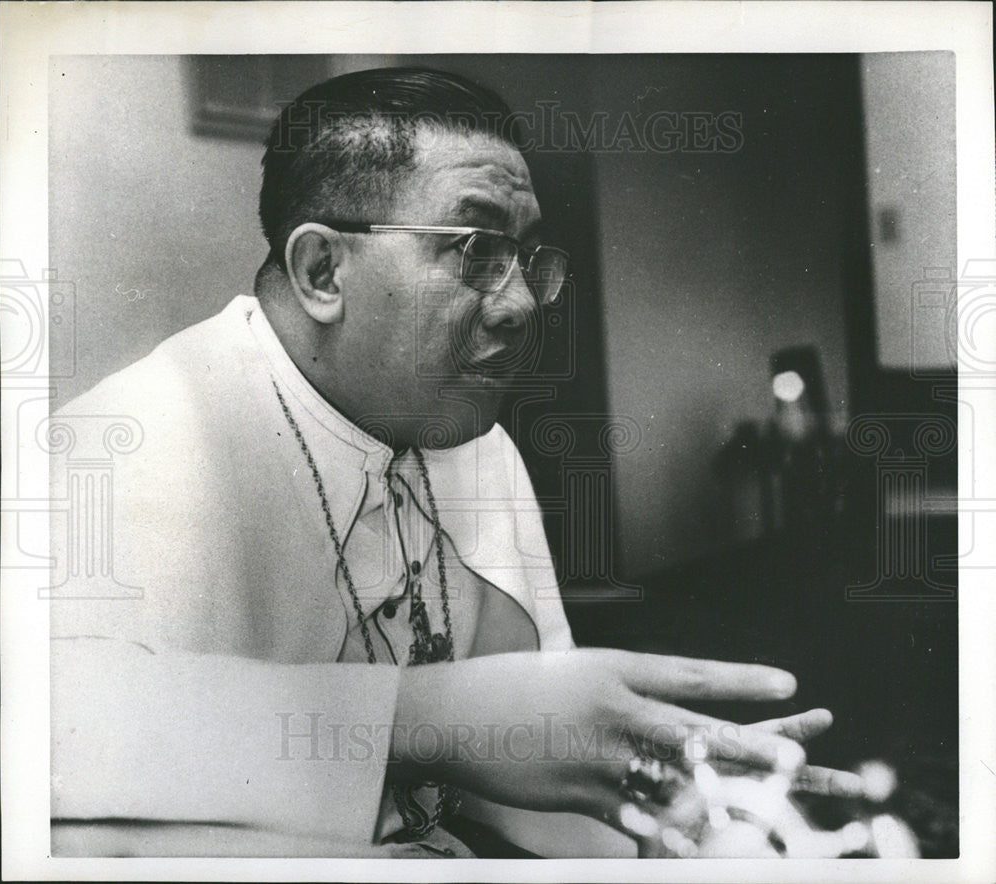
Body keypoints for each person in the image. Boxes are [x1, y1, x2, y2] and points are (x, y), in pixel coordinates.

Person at [48, 67, 859, 858]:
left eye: (528, 257)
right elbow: (49, 739)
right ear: (322, 271)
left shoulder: (473, 441)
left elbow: (533, 748)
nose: (520, 305)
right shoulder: (129, 443)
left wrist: (661, 812)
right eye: (474, 250)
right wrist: (426, 715)